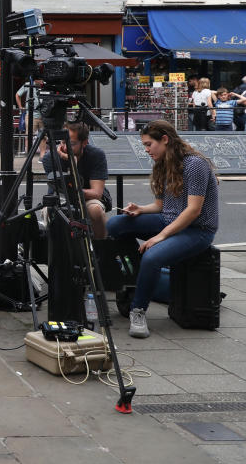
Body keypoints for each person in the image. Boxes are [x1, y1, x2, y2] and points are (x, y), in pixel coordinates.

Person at [106, 120, 218, 338]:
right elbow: (161, 206)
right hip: (169, 220)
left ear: (165, 139)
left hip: (197, 230)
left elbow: (193, 211)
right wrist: (140, 209)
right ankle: (137, 278)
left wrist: (160, 237)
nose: (146, 150)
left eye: (149, 145)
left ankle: (137, 311)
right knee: (114, 224)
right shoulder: (163, 162)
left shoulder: (195, 164)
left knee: (152, 256)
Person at [41, 121, 112, 240]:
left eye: (71, 143)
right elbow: (61, 188)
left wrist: (73, 164)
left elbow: (97, 193)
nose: (64, 147)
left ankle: (100, 246)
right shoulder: (50, 157)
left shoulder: (96, 155)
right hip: (61, 198)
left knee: (95, 210)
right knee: (49, 212)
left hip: (88, 198)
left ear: (84, 143)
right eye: (63, 142)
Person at [16, 80, 46, 156]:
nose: (41, 80)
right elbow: (17, 94)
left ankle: (42, 155)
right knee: (29, 135)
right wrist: (20, 107)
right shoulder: (28, 84)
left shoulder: (45, 84)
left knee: (43, 136)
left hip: (44, 114)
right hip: (31, 114)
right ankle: (29, 154)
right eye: (39, 78)